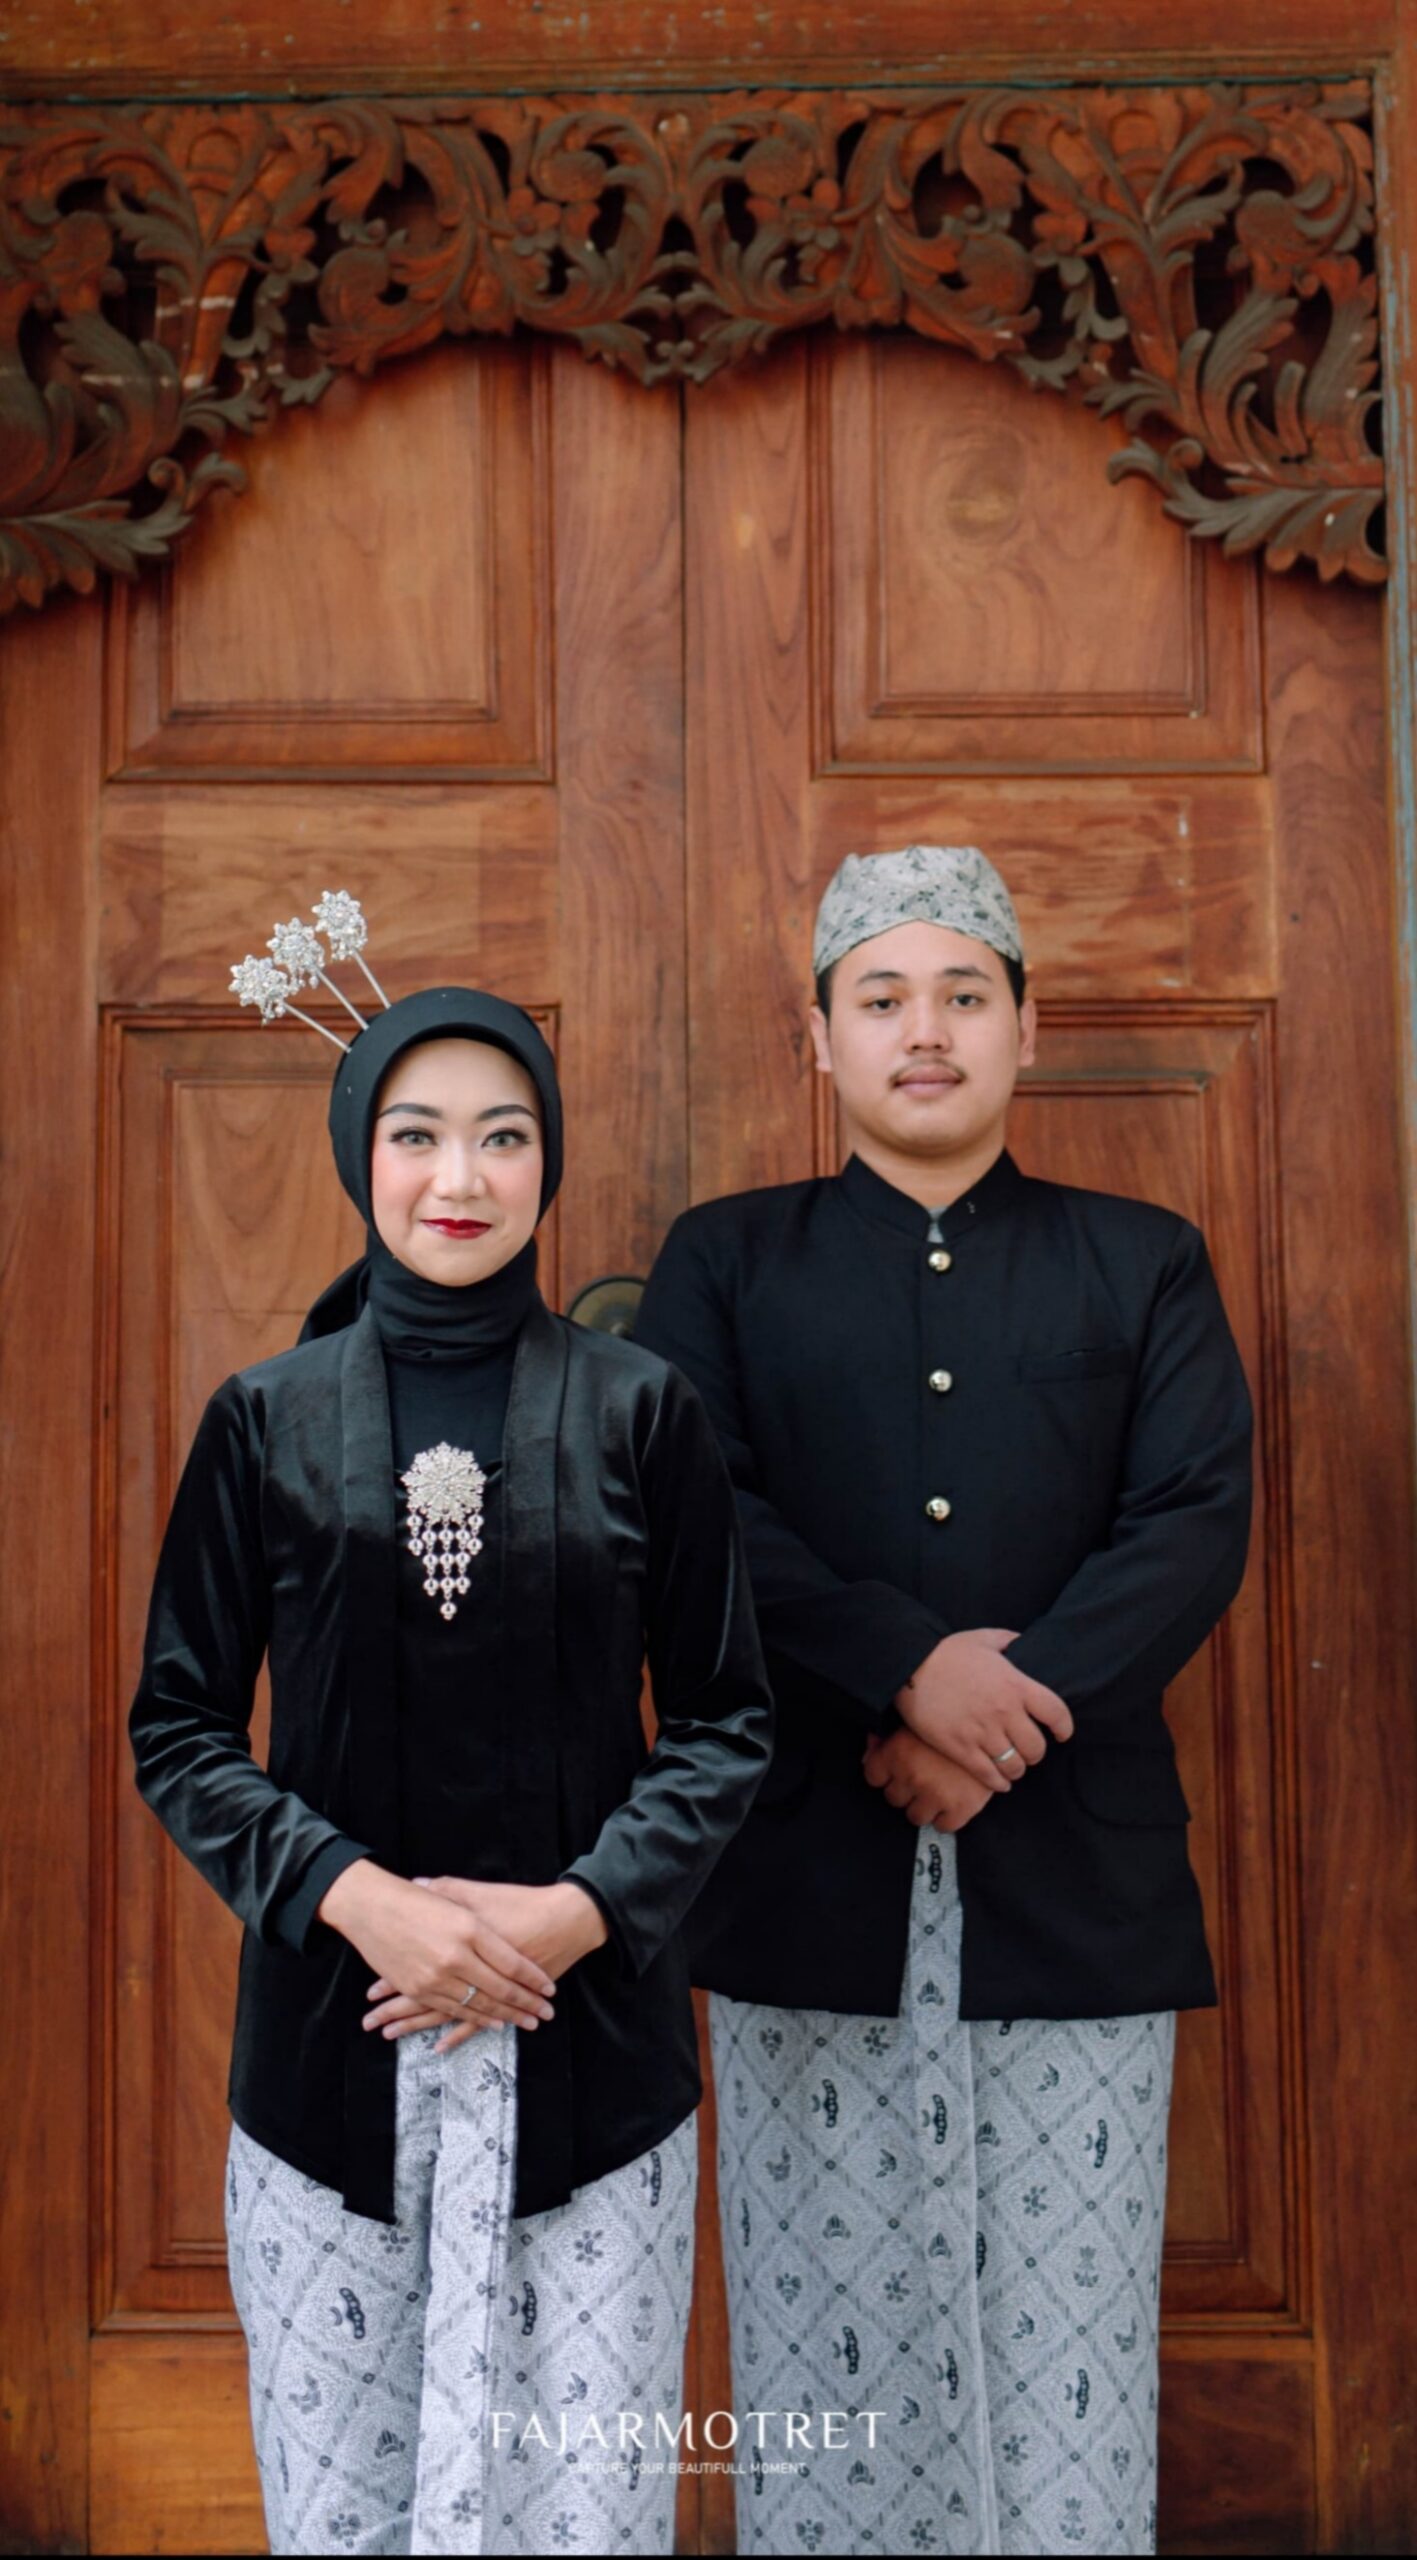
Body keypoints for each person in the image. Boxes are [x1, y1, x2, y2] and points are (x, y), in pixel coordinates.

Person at [635, 843, 1253, 2559]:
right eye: (882, 998)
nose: (925, 1031)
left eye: (963, 995)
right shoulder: (724, 1262)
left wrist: (1008, 1707)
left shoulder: (1141, 1261)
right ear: (816, 1038)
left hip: (1074, 1883)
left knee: (1068, 2337)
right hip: (804, 1877)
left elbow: (1191, 1520)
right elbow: (693, 1517)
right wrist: (908, 1670)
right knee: (824, 2339)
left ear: (1023, 1030)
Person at [130, 913, 773, 2560]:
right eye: (416, 1135)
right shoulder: (265, 1418)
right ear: (361, 1156)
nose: (459, 1177)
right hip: (328, 2064)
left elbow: (723, 1722)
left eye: (503, 1136)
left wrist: (569, 1918)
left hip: (595, 2060)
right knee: (345, 2508)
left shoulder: (639, 1408)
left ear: (548, 1161)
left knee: (586, 2511)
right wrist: (365, 1903)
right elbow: (180, 1729)